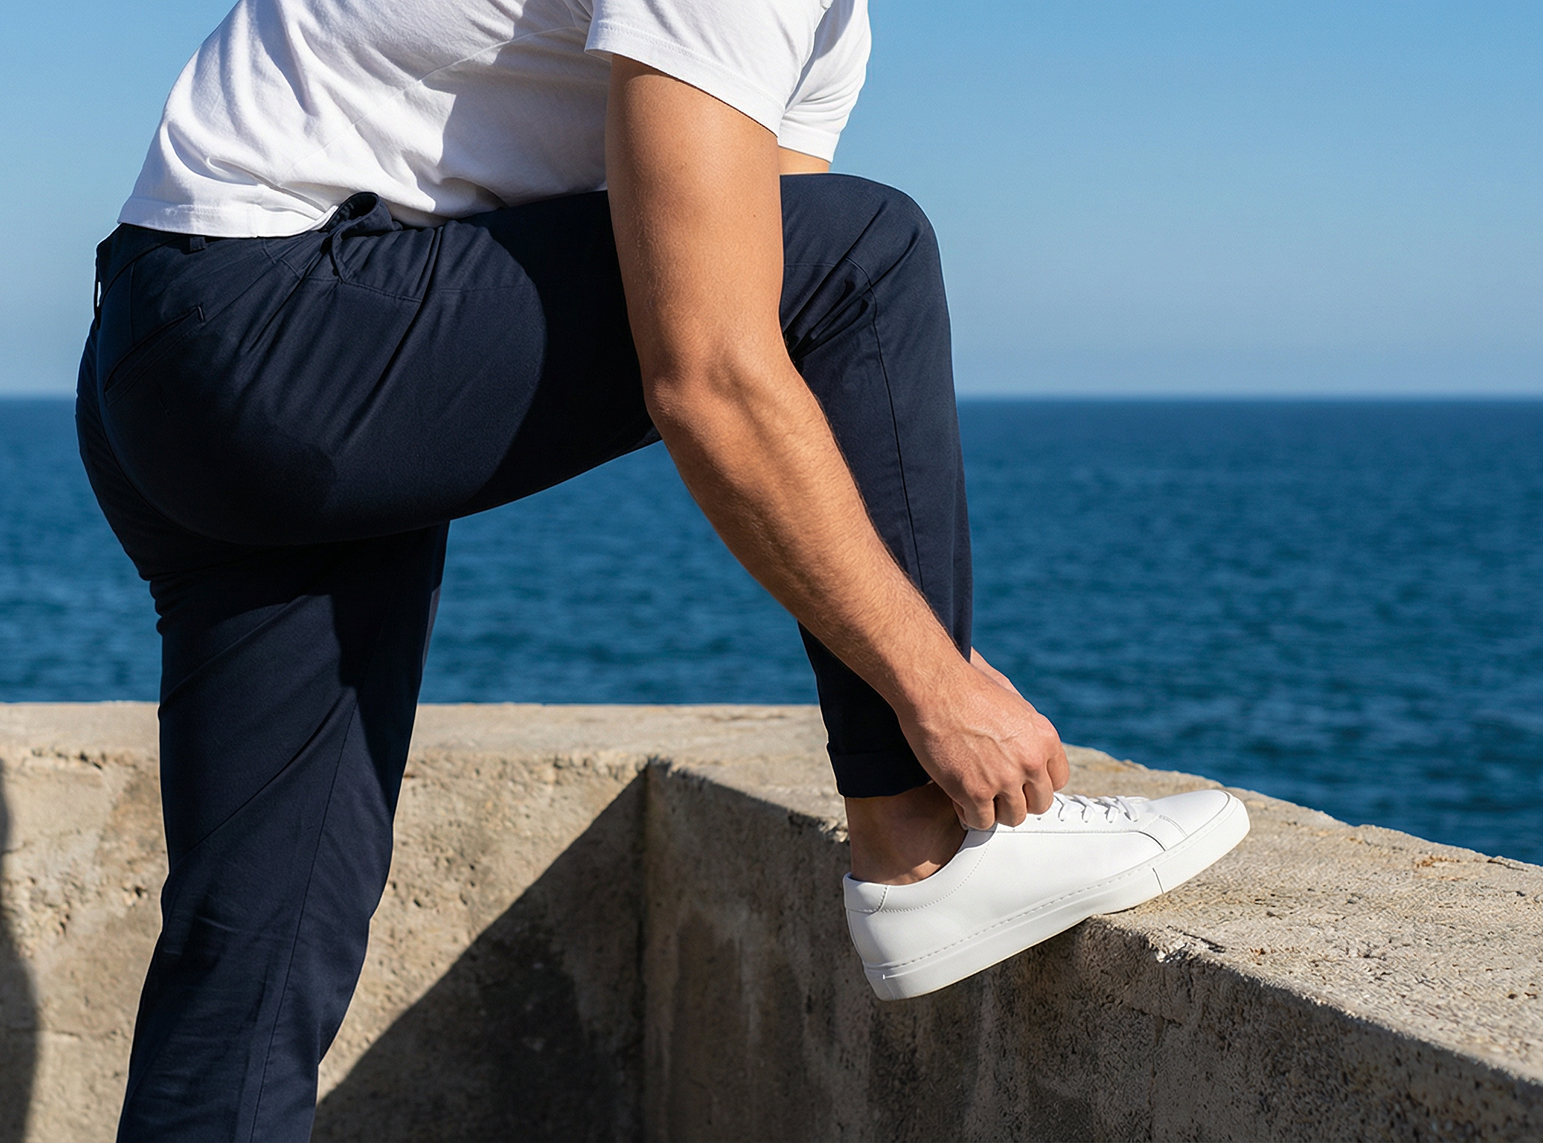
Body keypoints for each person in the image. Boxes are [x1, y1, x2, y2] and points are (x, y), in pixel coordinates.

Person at [76, 0, 1250, 1137]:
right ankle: (913, 845)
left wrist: (909, 646)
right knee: (872, 249)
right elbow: (717, 368)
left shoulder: (825, 28)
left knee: (264, 940)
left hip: (181, 339)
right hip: (281, 325)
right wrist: (931, 689)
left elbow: (770, 304)